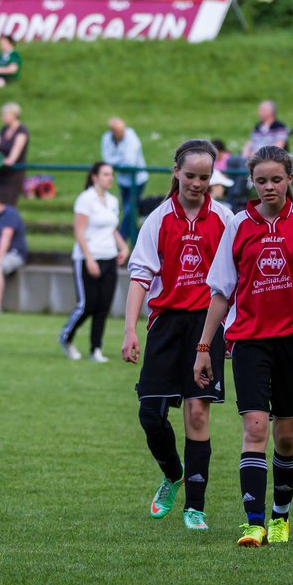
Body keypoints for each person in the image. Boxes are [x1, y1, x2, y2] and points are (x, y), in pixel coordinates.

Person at [194, 145, 293, 547]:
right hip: (249, 342)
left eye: (276, 179)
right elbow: (221, 292)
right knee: (255, 427)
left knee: (286, 437)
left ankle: (280, 517)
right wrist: (204, 347)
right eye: (261, 180)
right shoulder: (237, 225)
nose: (269, 187)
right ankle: (254, 522)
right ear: (251, 182)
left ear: (290, 179)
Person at [122, 140, 234, 530]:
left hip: (206, 323)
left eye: (205, 177)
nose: (197, 183)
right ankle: (173, 472)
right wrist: (129, 330)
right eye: (190, 175)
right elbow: (140, 276)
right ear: (175, 172)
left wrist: (231, 329)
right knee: (150, 414)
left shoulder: (224, 218)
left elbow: (235, 280)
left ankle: (195, 508)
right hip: (165, 323)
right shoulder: (158, 219)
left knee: (197, 413)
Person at [60, 162, 131, 363]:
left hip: (109, 257)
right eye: (106, 174)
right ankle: (66, 336)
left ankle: (96, 348)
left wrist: (123, 247)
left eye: (112, 174)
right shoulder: (85, 199)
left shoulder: (112, 200)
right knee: (87, 305)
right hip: (87, 258)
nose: (110, 178)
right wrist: (89, 259)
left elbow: (111, 228)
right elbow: (79, 231)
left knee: (103, 306)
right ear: (95, 177)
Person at [100, 117, 149, 244]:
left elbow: (129, 162)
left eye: (123, 130)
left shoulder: (131, 138)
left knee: (129, 210)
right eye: (118, 131)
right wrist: (119, 161)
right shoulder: (107, 138)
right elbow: (106, 159)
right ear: (112, 131)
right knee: (129, 211)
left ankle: (120, 240)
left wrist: (114, 163)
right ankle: (135, 241)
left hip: (137, 180)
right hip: (123, 181)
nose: (122, 133)